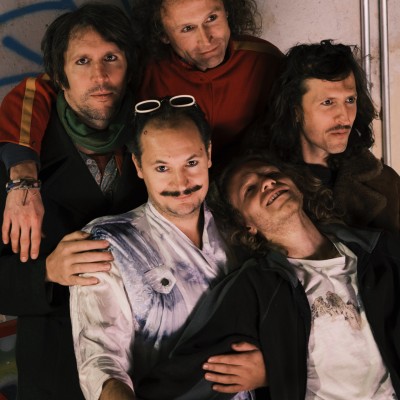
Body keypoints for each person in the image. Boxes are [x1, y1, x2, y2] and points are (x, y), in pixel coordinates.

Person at [131, 153, 400, 400]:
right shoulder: (254, 287)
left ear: (297, 187)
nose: (268, 182)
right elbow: (182, 379)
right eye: (250, 189)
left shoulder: (380, 250)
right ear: (245, 224)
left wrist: (278, 369)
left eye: (272, 174)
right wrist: (278, 371)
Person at [69, 98, 267, 400]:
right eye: (162, 167)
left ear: (208, 153)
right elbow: (101, 360)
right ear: (138, 165)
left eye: (191, 163)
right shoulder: (110, 241)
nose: (181, 182)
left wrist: (271, 367)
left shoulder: (240, 226)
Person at [0, 4, 148, 399]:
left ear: (129, 67)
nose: (99, 76)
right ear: (59, 75)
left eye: (111, 58)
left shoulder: (154, 137)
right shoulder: (16, 162)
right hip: (55, 363)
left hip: (148, 360)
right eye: (82, 61)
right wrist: (47, 271)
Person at [258, 39, 400, 234]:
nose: (344, 116)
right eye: (328, 102)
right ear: (295, 110)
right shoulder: (264, 187)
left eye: (350, 100)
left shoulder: (386, 182)